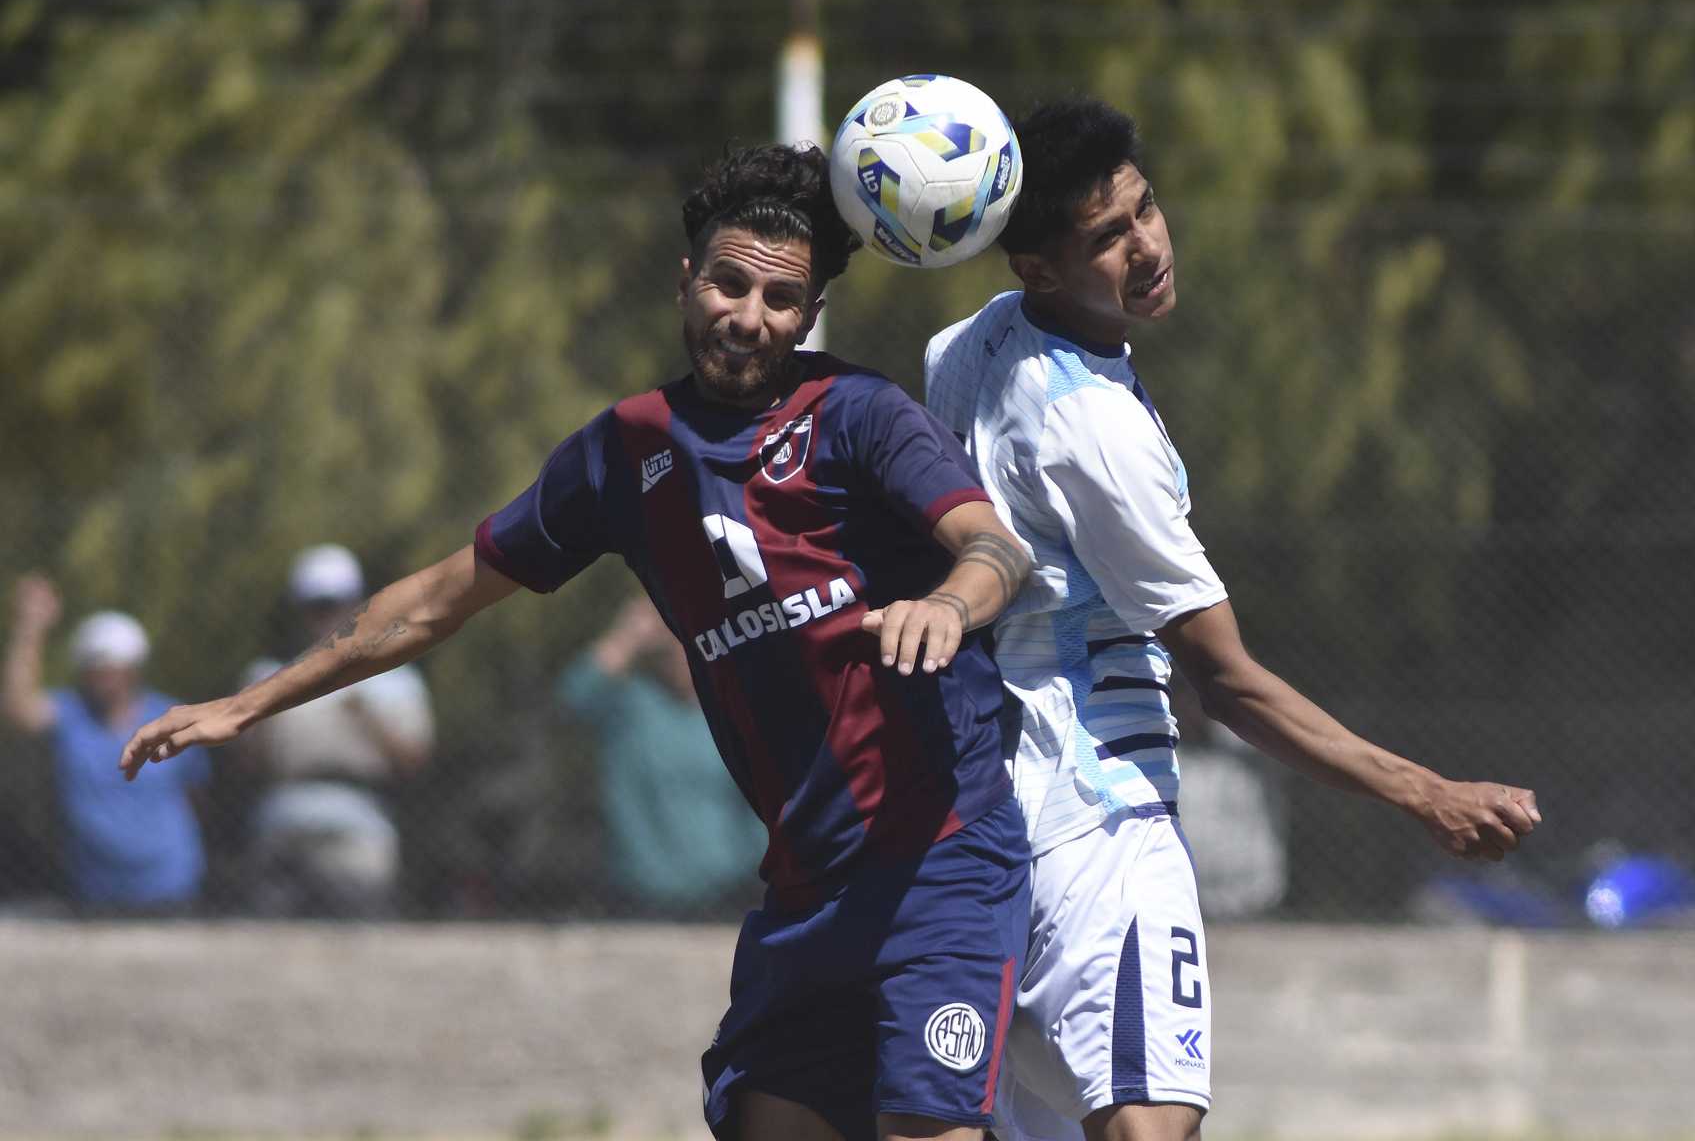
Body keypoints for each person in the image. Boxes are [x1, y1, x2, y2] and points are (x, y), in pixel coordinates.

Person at [119, 143, 1038, 1141]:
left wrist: (950, 602)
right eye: (729, 283)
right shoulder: (625, 452)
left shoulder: (859, 417)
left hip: (938, 859)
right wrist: (246, 703)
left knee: (927, 1130)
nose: (749, 315)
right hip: (806, 889)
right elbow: (431, 603)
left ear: (809, 313)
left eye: (782, 299)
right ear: (687, 280)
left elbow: (992, 546)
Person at [923, 98, 1543, 1141]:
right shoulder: (1095, 431)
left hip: (986, 824)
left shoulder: (960, 347)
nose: (1148, 246)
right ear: (1035, 267)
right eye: (1106, 239)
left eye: (1146, 210)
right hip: (1102, 824)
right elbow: (1228, 681)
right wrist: (1427, 794)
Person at [238, 544, 435, 917]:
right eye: (317, 606)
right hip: (284, 812)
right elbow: (246, 766)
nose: (327, 617)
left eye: (336, 605)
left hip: (359, 814)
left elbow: (414, 761)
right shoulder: (265, 675)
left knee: (360, 921)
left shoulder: (392, 679)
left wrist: (368, 718)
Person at [2, 574, 209, 911]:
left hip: (171, 885)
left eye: (114, 668)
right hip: (95, 890)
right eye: (96, 669)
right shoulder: (70, 715)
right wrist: (30, 628)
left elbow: (198, 796)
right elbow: (18, 709)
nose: (106, 678)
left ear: (133, 669)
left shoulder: (170, 717)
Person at [556, 593, 763, 916]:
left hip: (730, 895)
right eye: (676, 644)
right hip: (644, 896)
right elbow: (575, 697)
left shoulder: (735, 714)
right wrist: (628, 636)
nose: (686, 655)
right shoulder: (634, 707)